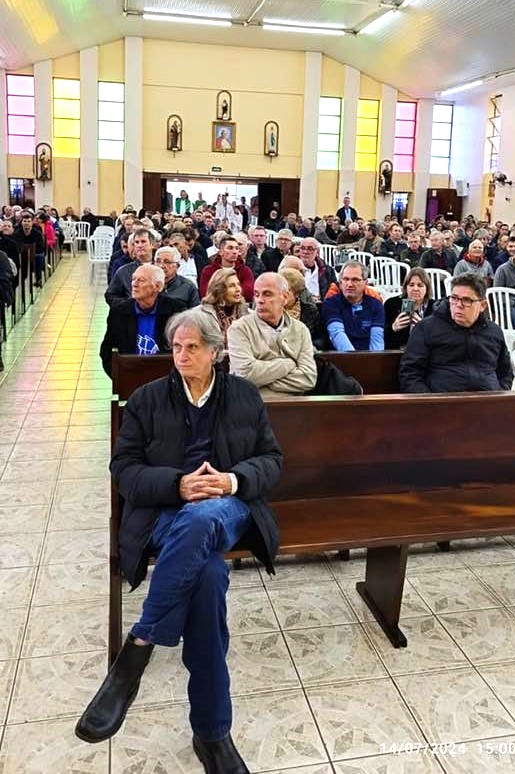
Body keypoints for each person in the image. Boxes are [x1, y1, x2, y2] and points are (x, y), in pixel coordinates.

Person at [78, 309, 282, 774]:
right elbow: (123, 470)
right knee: (208, 578)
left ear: (215, 352)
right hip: (166, 515)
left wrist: (230, 480)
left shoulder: (245, 396)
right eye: (176, 347)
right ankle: (212, 734)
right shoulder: (147, 399)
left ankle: (140, 646)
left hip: (229, 509)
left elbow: (272, 461)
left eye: (193, 347)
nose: (182, 355)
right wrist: (177, 485)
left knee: (206, 515)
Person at [399, 273, 513, 393]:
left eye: (466, 300)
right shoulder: (427, 328)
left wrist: (500, 394)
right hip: (442, 404)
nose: (458, 305)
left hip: (488, 403)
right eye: (454, 298)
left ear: (482, 305)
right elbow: (410, 373)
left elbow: (505, 372)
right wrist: (430, 403)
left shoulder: (493, 331)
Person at [228, 272, 317, 397]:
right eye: (256, 294)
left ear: (285, 297)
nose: (260, 300)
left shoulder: (300, 329)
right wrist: (288, 364)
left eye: (267, 294)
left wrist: (262, 381)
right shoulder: (239, 328)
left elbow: (308, 378)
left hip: (293, 408)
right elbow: (246, 375)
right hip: (251, 407)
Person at [99, 264, 188, 377]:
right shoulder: (119, 312)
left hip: (167, 378)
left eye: (141, 280)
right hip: (131, 377)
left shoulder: (176, 311)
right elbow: (106, 350)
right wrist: (119, 378)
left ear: (158, 286)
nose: (134, 284)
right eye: (133, 279)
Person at [321, 261, 384, 351]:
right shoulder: (331, 303)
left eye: (355, 280)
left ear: (365, 283)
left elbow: (377, 340)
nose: (349, 284)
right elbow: (337, 334)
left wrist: (374, 362)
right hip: (340, 359)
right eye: (346, 279)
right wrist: (355, 360)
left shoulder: (376, 305)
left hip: (370, 358)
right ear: (340, 282)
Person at [199, 267, 249, 352]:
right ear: (219, 290)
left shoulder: (248, 314)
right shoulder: (202, 315)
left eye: (238, 284)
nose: (238, 289)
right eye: (232, 286)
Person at [384, 267, 434, 349]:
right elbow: (384, 339)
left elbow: (437, 339)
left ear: (427, 288)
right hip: (398, 352)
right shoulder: (391, 304)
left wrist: (424, 328)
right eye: (411, 285)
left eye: (420, 285)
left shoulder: (434, 307)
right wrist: (393, 328)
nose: (415, 289)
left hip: (425, 353)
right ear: (406, 287)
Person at [105, 228, 156, 306]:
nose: (139, 245)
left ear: (152, 244)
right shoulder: (123, 271)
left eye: (143, 241)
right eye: (136, 242)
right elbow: (110, 295)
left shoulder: (161, 269)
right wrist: (129, 304)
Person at [279, 267, 326, 350]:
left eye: (287, 290)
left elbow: (321, 339)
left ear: (296, 293)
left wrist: (308, 346)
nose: (282, 294)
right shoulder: (272, 309)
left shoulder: (309, 310)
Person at [199, 235, 254, 302]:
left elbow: (249, 293)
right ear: (221, 252)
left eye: (237, 248)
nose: (234, 251)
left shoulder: (245, 270)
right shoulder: (209, 270)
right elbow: (205, 293)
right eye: (230, 248)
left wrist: (221, 292)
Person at [13, 210, 46, 288]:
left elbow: (41, 247)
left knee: (40, 257)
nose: (26, 223)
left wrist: (33, 252)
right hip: (21, 254)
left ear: (32, 223)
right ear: (22, 223)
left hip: (35, 254)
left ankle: (38, 279)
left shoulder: (37, 233)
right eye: (24, 221)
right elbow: (16, 246)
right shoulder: (17, 233)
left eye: (28, 221)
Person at [298, 237, 337, 302]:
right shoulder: (293, 269)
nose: (305, 252)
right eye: (302, 248)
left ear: (317, 252)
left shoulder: (327, 270)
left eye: (310, 249)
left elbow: (334, 291)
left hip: (322, 305)